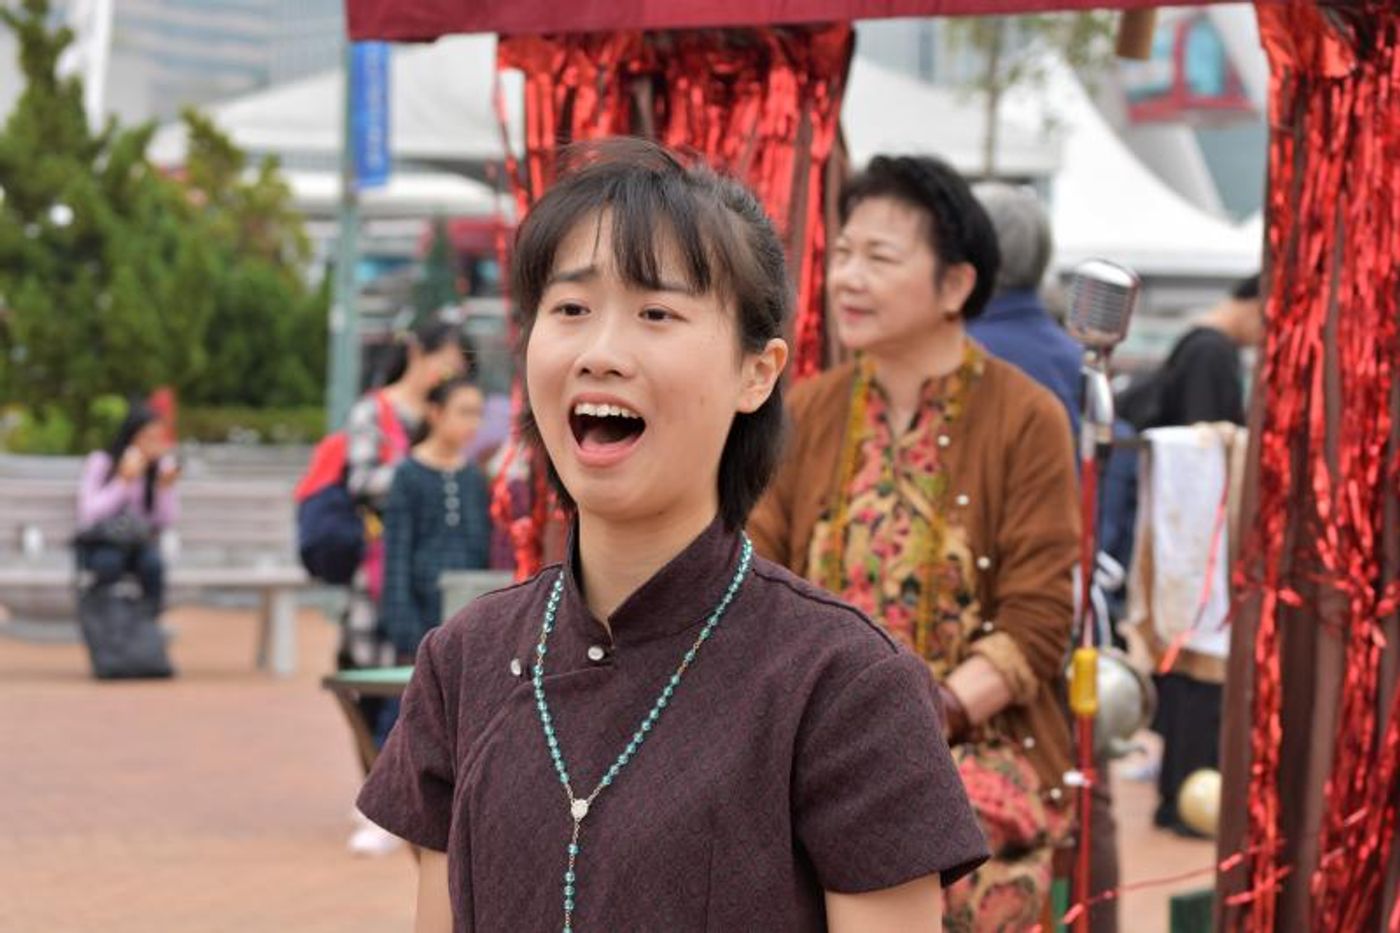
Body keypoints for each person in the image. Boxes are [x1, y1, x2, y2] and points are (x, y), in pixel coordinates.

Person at [359, 139, 987, 931]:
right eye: (571, 309)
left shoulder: (845, 685)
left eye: (656, 313)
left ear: (756, 373)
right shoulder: (464, 661)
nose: (601, 353)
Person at [750, 155, 1079, 930]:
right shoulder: (806, 409)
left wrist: (927, 716)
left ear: (956, 286)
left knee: (928, 857)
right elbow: (755, 575)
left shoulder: (1027, 417)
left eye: (881, 258)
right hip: (818, 739)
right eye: (844, 255)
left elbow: (1036, 625)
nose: (847, 279)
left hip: (973, 742)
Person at [970, 181, 1121, 933]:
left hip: (1001, 626)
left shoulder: (973, 363)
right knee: (1083, 783)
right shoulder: (1072, 362)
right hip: (1074, 601)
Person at [1116, 273, 1262, 837]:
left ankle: (1177, 794)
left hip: (1183, 535)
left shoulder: (1195, 344)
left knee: (1188, 668)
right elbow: (1208, 439)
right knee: (1202, 669)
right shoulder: (1211, 351)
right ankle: (1185, 799)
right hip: (1200, 539)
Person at [343, 318, 467, 857]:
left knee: (422, 694)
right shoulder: (377, 412)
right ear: (418, 352)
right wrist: (423, 467)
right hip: (383, 569)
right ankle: (383, 800)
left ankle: (401, 801)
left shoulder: (453, 422)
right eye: (445, 357)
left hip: (443, 582)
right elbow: (360, 482)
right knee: (386, 690)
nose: (453, 367)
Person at [379, 376, 492, 664]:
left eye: (478, 414)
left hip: (469, 620)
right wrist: (405, 628)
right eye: (464, 412)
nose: (474, 424)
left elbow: (483, 551)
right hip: (420, 618)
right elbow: (397, 556)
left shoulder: (475, 477)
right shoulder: (408, 474)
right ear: (435, 412)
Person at [76, 402, 180, 611]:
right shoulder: (102, 462)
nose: (153, 445)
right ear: (130, 436)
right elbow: (89, 513)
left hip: (139, 542)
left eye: (157, 439)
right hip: (104, 540)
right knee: (108, 563)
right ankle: (105, 624)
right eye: (147, 438)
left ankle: (145, 627)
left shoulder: (160, 468)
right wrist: (123, 482)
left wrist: (164, 489)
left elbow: (165, 520)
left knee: (153, 564)